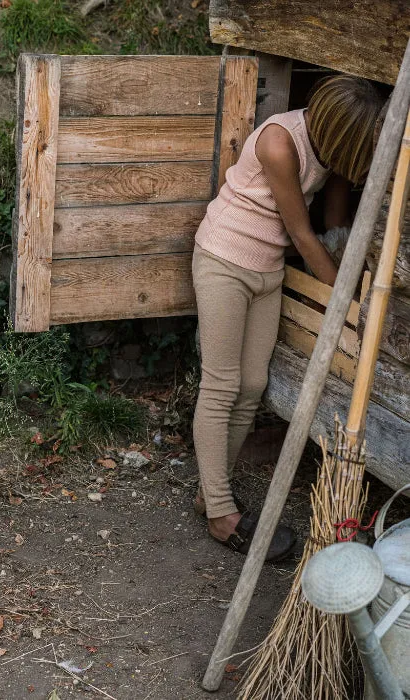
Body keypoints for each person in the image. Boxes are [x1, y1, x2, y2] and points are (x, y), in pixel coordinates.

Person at [191, 75, 384, 560]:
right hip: (224, 260)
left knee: (253, 384)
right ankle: (220, 513)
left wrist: (355, 261)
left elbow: (334, 226)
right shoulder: (280, 142)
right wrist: (349, 303)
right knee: (221, 383)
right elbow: (301, 234)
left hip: (266, 270)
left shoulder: (332, 154)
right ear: (344, 136)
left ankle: (211, 492)